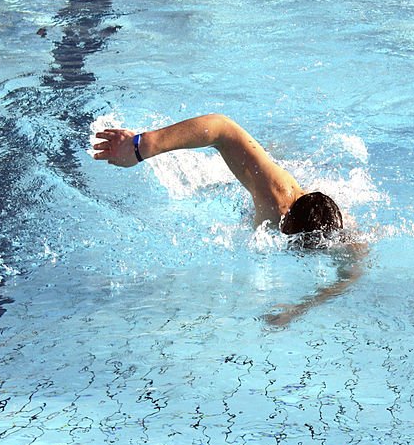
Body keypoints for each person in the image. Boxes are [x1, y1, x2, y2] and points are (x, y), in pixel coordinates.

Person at [92, 114, 365, 326]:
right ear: (286, 224)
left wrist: (298, 309)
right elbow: (221, 128)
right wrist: (142, 146)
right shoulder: (273, 196)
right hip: (243, 181)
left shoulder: (339, 230)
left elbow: (350, 276)